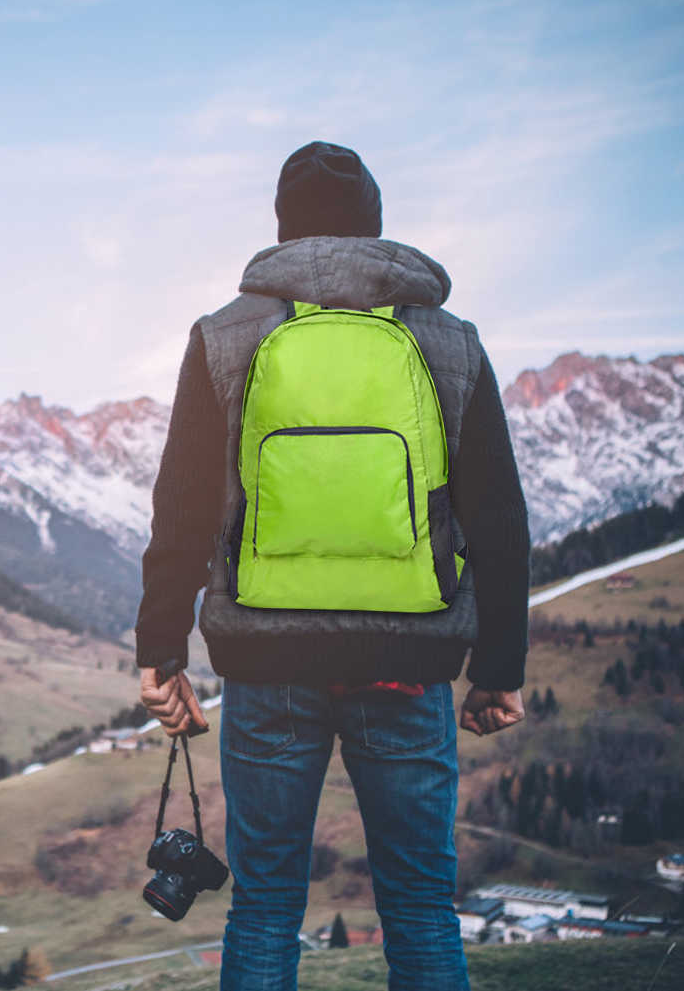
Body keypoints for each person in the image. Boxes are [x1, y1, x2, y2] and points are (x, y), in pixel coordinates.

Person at [137, 141, 529, 991]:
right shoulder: (447, 341)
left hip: (268, 662)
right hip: (408, 661)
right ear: (375, 227)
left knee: (266, 909)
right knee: (421, 909)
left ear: (283, 231)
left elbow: (183, 512)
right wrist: (497, 670)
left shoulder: (225, 337)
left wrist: (159, 653)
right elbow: (496, 517)